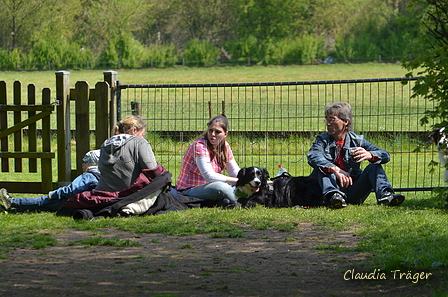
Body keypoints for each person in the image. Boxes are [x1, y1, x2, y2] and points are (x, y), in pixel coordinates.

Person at [306, 102, 405, 209]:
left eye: (332, 119)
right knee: (324, 168)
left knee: (374, 166)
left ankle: (385, 196)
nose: (328, 123)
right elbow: (313, 156)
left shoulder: (357, 140)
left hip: (353, 190)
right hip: (328, 191)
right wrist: (334, 169)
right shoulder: (321, 140)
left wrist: (370, 155)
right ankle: (334, 196)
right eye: (327, 119)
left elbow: (385, 155)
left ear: (345, 122)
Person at [0, 150, 101, 212]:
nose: (82, 164)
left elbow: (71, 190)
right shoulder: (101, 176)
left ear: (92, 163)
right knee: (44, 206)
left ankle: (12, 202)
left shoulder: (89, 176)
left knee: (43, 201)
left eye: (85, 162)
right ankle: (14, 210)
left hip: (73, 203)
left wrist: (53, 194)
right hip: (84, 204)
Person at [176, 115, 240, 206]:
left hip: (210, 186)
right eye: (210, 130)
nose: (213, 134)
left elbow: (234, 171)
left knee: (239, 186)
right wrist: (239, 181)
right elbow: (209, 176)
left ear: (225, 134)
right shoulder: (199, 146)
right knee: (221, 187)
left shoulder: (224, 145)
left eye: (217, 132)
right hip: (189, 190)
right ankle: (242, 201)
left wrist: (248, 180)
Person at [95, 115, 159, 192]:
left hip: (104, 195)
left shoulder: (106, 144)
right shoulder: (140, 142)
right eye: (142, 134)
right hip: (130, 196)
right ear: (134, 130)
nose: (142, 137)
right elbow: (153, 171)